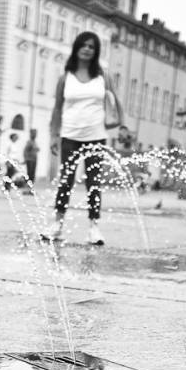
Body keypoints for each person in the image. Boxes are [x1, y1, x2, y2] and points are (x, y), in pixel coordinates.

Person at [44, 31, 119, 245]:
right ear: (76, 48)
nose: (87, 49)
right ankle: (57, 224)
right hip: (70, 135)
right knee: (66, 181)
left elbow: (113, 102)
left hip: (96, 135)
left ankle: (94, 227)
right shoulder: (65, 78)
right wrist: (54, 135)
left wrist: (120, 125)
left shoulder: (103, 77)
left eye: (91, 47)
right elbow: (57, 108)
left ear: (96, 52)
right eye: (83, 45)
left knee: (93, 182)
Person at [23, 129, 39, 194]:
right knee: (29, 175)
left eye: (35, 133)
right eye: (34, 133)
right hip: (30, 160)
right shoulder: (29, 142)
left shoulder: (34, 142)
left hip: (34, 160)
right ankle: (27, 189)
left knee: (32, 175)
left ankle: (30, 189)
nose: (35, 135)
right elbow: (25, 151)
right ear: (31, 134)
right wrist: (26, 159)